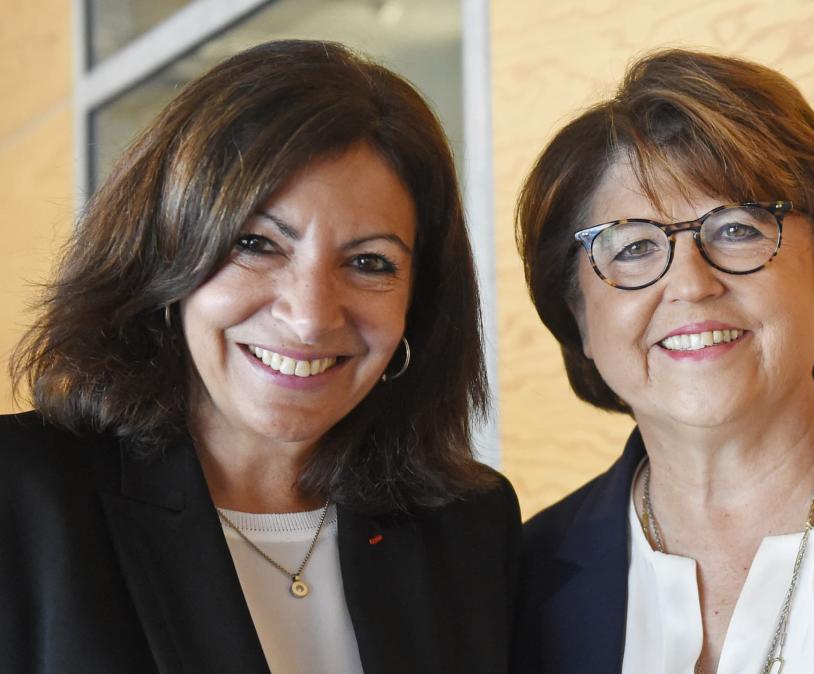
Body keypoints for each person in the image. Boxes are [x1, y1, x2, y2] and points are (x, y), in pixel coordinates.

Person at [2, 40, 519, 674]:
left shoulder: (468, 527)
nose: (308, 316)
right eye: (257, 243)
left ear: (420, 302)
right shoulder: (23, 496)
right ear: (168, 256)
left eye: (368, 263)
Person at [512, 49, 814, 674]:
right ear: (581, 317)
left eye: (737, 229)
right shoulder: (516, 581)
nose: (692, 284)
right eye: (634, 246)